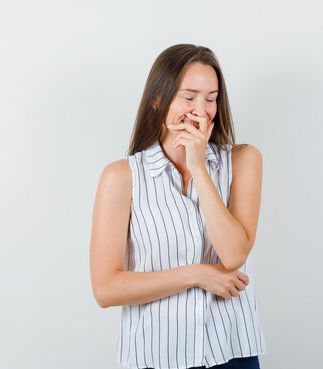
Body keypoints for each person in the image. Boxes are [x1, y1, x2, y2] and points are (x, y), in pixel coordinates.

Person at [90, 44, 266, 369]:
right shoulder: (122, 177)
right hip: (155, 357)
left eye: (211, 99)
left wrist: (198, 167)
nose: (201, 110)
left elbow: (234, 255)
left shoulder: (243, 161)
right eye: (189, 97)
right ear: (158, 99)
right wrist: (196, 275)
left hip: (231, 353)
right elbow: (106, 288)